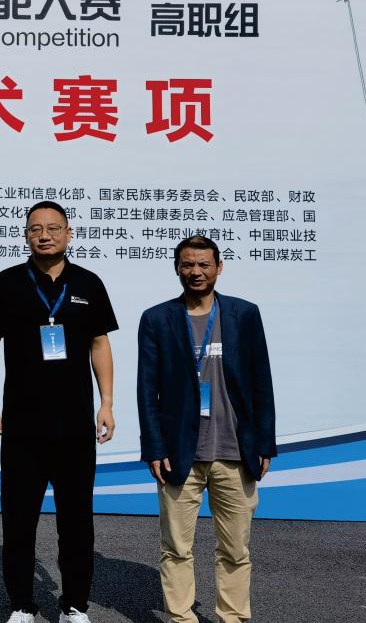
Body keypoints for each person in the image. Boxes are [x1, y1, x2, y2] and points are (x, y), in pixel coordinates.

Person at [0, 200, 118, 623]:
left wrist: (106, 403)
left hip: (75, 426)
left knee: (76, 521)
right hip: (23, 426)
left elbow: (99, 344)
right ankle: (21, 604)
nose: (44, 235)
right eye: (36, 228)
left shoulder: (89, 283)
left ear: (69, 234)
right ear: (26, 235)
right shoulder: (8, 282)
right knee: (19, 521)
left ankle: (74, 605)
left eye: (54, 228)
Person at [136, 235, 276, 623]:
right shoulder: (157, 318)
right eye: (187, 264)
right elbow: (147, 389)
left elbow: (261, 381)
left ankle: (232, 617)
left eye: (203, 264)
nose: (195, 272)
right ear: (177, 268)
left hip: (236, 450)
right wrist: (154, 447)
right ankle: (182, 617)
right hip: (179, 452)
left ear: (218, 267)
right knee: (176, 548)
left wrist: (265, 442)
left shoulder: (244, 314)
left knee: (235, 550)